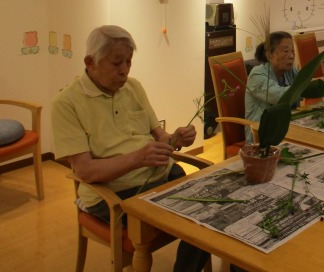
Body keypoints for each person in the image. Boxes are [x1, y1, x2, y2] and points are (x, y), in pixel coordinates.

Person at [51, 25, 209, 272]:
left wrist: (176, 138)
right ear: (90, 63)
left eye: (129, 61)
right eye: (117, 63)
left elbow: (160, 136)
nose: (124, 70)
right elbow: (85, 171)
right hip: (116, 195)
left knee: (210, 210)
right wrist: (138, 158)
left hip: (162, 176)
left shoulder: (133, 88)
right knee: (196, 217)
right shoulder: (66, 104)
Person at [245, 31, 324, 142]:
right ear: (269, 54)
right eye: (286, 51)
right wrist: (315, 84)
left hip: (288, 127)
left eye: (292, 51)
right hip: (262, 135)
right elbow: (280, 96)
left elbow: (303, 82)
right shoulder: (257, 75)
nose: (291, 56)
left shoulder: (289, 71)